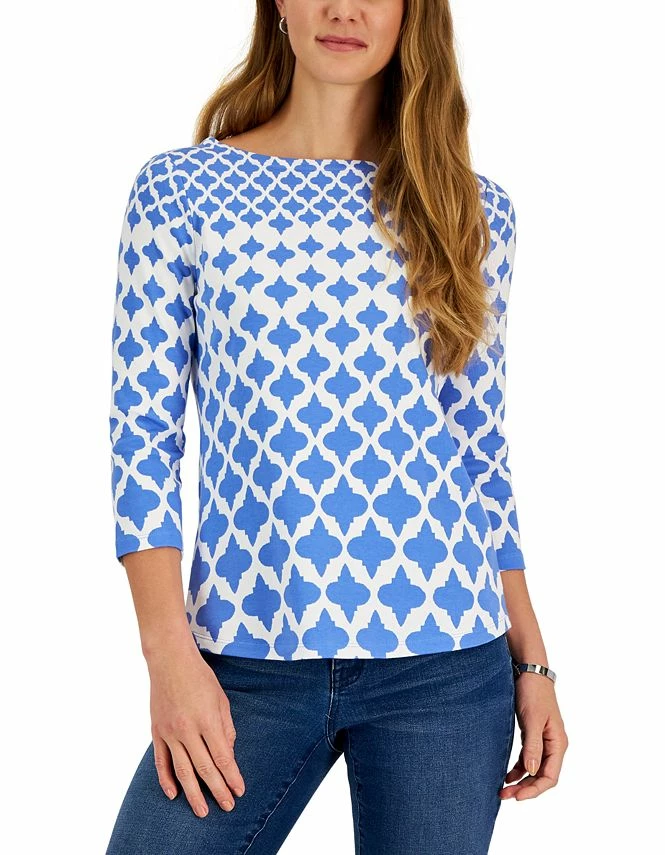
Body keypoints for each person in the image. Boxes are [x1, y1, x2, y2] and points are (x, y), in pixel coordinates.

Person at [105, 1, 568, 852]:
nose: (344, 7)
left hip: (447, 665)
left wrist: (532, 660)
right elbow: (142, 440)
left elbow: (480, 451)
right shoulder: (180, 193)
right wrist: (167, 656)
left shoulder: (473, 210)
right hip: (242, 656)